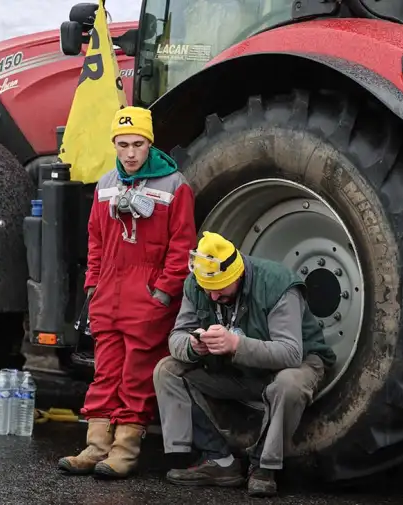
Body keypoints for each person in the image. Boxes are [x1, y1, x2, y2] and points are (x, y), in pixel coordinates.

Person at [58, 106, 197, 479]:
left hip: (147, 300)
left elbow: (181, 248)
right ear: (114, 145)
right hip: (109, 297)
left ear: (149, 143)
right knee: (105, 374)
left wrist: (162, 295)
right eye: (123, 145)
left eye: (137, 144)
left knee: (136, 377)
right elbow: (96, 241)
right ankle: (96, 447)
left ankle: (124, 451)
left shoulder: (174, 185)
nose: (130, 153)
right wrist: (93, 286)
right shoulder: (106, 185)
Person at [153, 232, 337, 497]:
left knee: (289, 385)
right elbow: (177, 337)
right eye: (208, 289)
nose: (213, 296)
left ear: (237, 275)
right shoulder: (197, 284)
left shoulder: (277, 284)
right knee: (168, 369)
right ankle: (218, 461)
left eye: (219, 289)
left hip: (292, 365)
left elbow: (290, 353)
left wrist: (237, 345)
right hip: (237, 370)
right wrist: (193, 347)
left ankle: (264, 467)